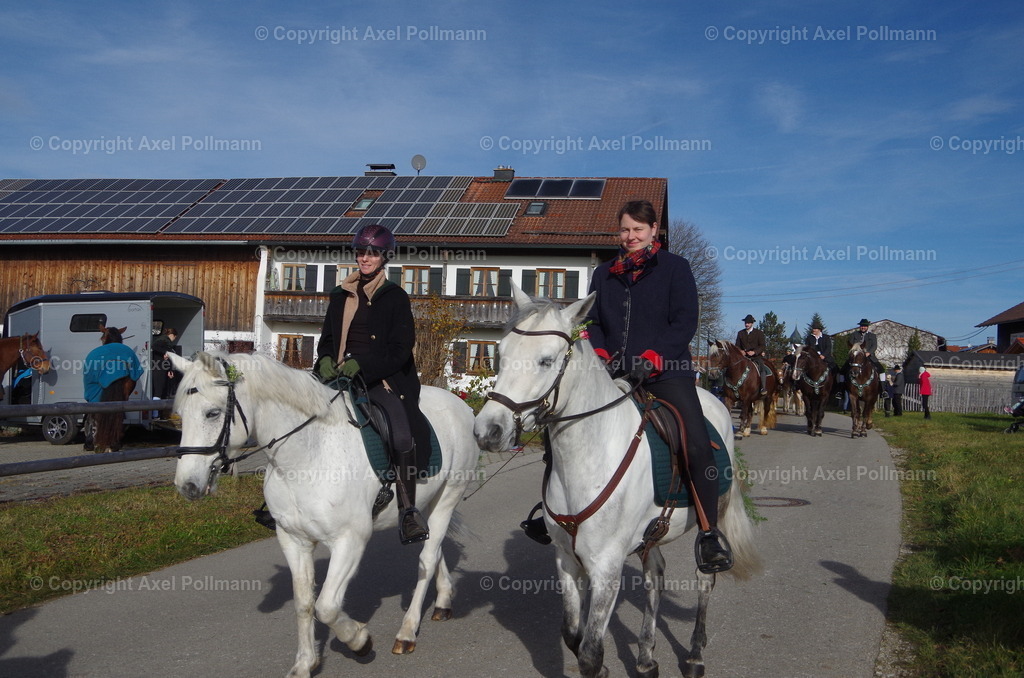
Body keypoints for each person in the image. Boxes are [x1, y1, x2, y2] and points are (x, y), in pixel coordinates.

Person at [584, 199, 732, 574]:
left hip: (667, 372)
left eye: (637, 229)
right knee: (566, 426)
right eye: (624, 230)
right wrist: (601, 352)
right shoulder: (604, 273)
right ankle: (550, 513)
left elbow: (685, 322)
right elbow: (594, 320)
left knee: (695, 440)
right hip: (615, 373)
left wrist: (652, 359)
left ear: (654, 232)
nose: (630, 236)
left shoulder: (675, 268)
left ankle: (709, 532)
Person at [314, 224, 432, 545]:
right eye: (361, 252)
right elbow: (326, 340)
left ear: (384, 257)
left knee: (402, 434)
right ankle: (282, 496)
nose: (365, 258)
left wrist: (361, 365)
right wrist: (325, 358)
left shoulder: (395, 297)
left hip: (380, 379)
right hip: (336, 375)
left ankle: (408, 510)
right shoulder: (340, 295)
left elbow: (399, 349)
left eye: (372, 253)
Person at [83, 325, 143, 453]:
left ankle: (94, 439)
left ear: (105, 338)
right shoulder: (128, 352)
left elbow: (89, 377)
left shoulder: (95, 354)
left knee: (96, 410)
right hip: (122, 393)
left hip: (98, 394)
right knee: (117, 412)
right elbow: (136, 374)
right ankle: (114, 440)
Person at [735, 314, 771, 396]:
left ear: (752, 324)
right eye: (745, 323)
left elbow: (762, 346)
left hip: (756, 357)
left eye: (748, 323)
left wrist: (754, 352)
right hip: (744, 357)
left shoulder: (759, 333)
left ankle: (763, 387)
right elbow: (737, 345)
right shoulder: (740, 333)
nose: (746, 324)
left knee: (762, 368)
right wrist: (740, 351)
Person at [150, 327, 179, 400]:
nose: (174, 339)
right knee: (158, 392)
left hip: (163, 369)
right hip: (159, 369)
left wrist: (170, 370)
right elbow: (154, 346)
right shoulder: (163, 341)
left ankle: (158, 410)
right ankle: (155, 410)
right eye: (175, 337)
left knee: (161, 392)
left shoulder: (166, 343)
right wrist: (165, 352)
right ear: (172, 335)